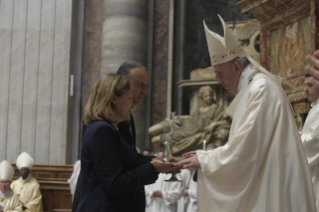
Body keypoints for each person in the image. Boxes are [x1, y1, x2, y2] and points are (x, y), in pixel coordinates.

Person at [178, 15, 316, 211]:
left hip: (274, 183)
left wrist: (206, 159)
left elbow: (246, 148)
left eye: (219, 74)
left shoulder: (261, 89)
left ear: (235, 67)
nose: (218, 81)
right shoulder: (254, 88)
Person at [76, 74, 178, 212]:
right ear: (114, 98)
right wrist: (152, 168)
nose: (133, 105)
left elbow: (128, 161)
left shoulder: (108, 129)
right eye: (129, 98)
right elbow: (115, 184)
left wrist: (160, 161)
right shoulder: (102, 130)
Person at [149, 86, 230, 153]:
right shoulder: (200, 110)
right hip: (187, 127)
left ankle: (166, 152)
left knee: (155, 140)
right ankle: (166, 151)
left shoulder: (217, 109)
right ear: (202, 97)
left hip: (193, 132)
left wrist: (214, 124)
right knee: (151, 130)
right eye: (206, 96)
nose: (209, 97)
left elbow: (227, 122)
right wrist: (179, 118)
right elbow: (190, 118)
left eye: (210, 95)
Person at [301, 73, 319, 211]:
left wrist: (294, 137)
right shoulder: (315, 107)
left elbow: (314, 141)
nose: (305, 89)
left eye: (310, 85)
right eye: (305, 85)